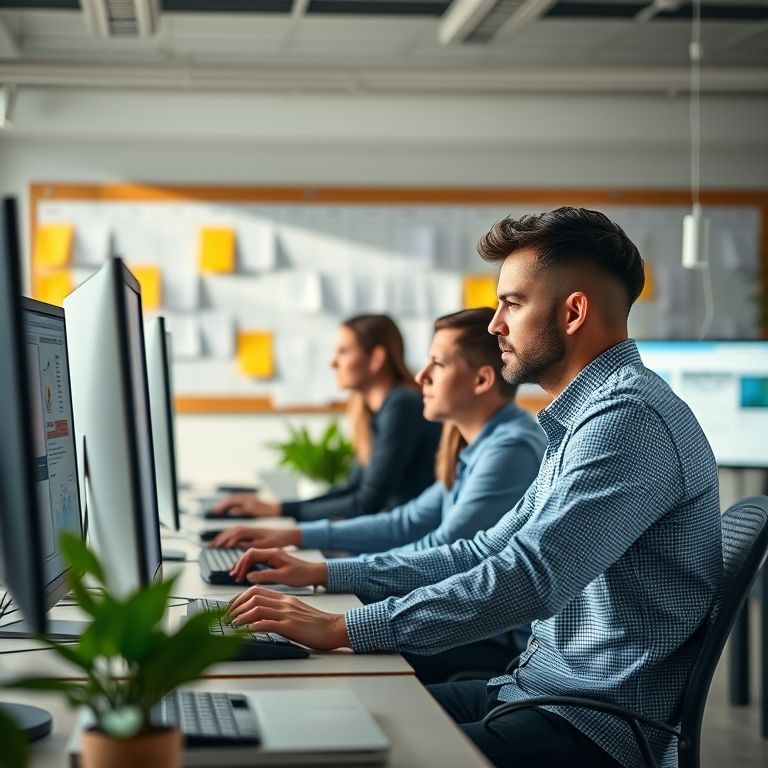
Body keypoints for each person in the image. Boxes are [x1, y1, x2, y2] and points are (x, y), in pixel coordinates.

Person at [224, 208, 723, 768]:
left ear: (573, 311)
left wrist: (343, 627)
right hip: (530, 691)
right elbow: (484, 550)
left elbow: (530, 579)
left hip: (588, 726)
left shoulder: (628, 421)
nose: (494, 326)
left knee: (334, 752)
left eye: (511, 303)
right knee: (324, 712)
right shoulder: (588, 420)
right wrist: (327, 576)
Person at [211, 308, 546, 682]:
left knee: (323, 664)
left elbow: (452, 549)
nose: (421, 377)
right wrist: (298, 540)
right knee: (304, 631)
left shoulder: (510, 448)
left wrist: (322, 571)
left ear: (482, 380)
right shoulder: (478, 445)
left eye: (437, 363)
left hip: (491, 638)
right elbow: (407, 521)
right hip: (454, 612)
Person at [209, 314, 441, 522]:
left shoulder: (402, 405)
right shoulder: (377, 411)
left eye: (343, 351)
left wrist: (279, 511)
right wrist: (277, 508)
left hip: (407, 543)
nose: (332, 362)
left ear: (376, 358)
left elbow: (367, 502)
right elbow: (352, 489)